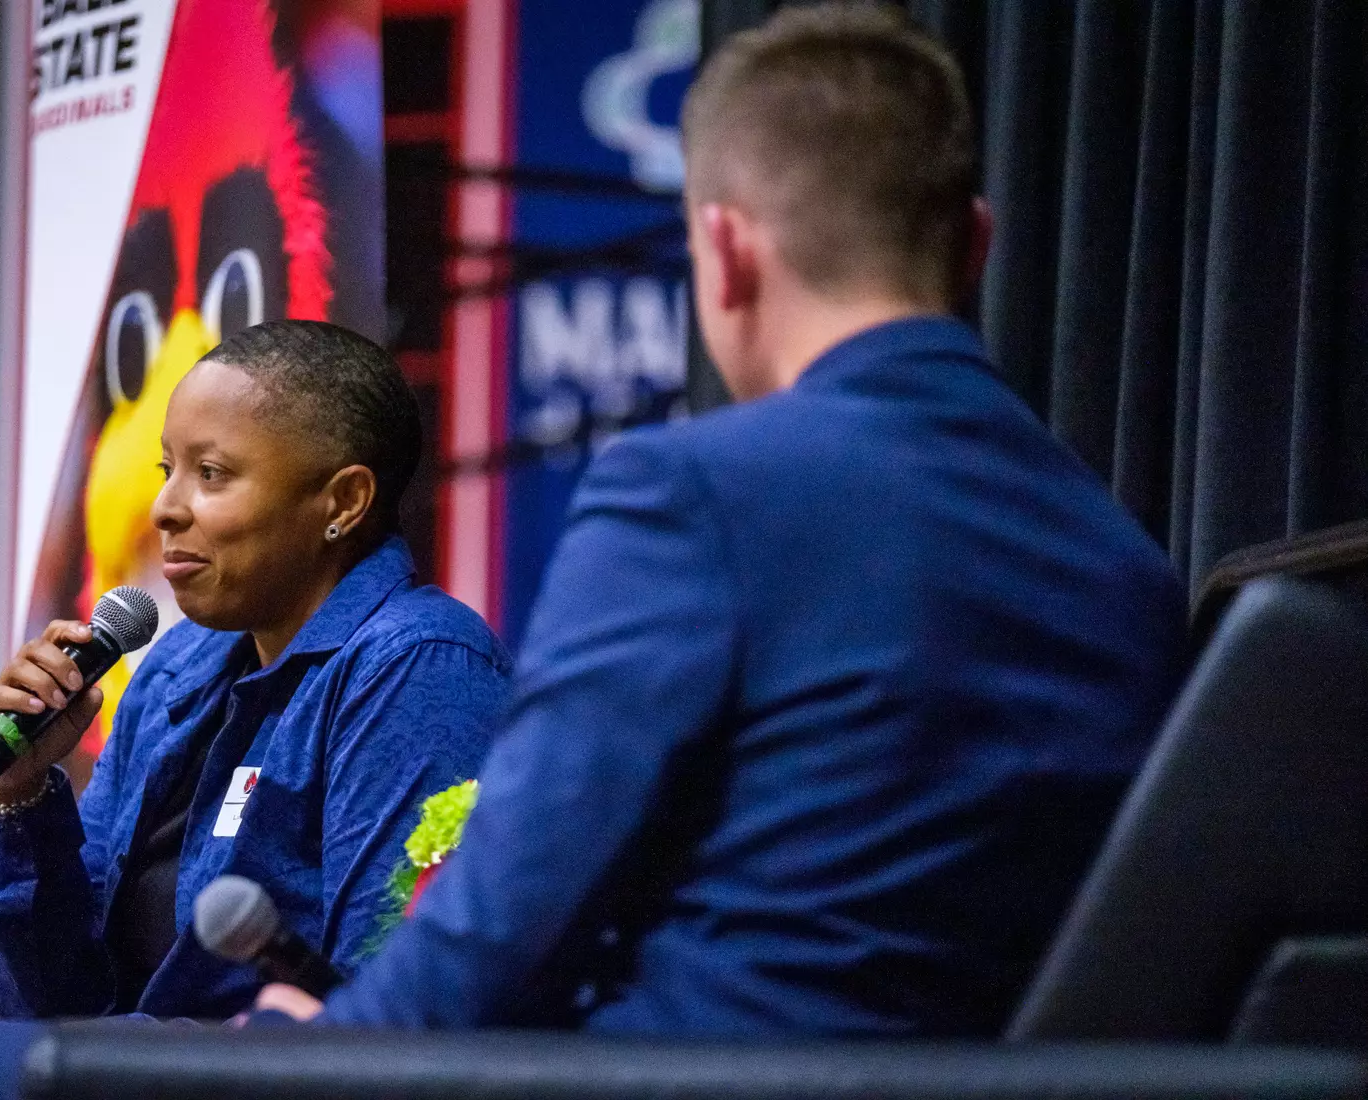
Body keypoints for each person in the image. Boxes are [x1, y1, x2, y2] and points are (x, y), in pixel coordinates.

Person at [254, 2, 1187, 1034]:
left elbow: (502, 925)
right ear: (973, 244)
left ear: (726, 248)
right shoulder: (1128, 560)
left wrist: (317, 1050)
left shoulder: (688, 493)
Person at [0, 320, 510, 1098]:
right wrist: (17, 797)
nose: (164, 507)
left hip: (267, 1078)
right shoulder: (175, 669)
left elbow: (392, 1001)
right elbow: (47, 1010)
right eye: (170, 468)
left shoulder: (419, 664)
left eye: (212, 473)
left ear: (343, 501)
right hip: (142, 1067)